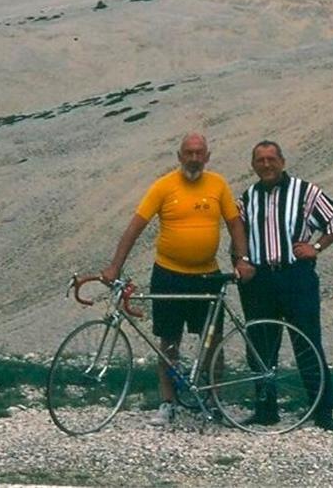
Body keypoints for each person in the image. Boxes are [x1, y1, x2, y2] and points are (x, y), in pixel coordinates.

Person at [100, 133, 255, 426]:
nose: (194, 158)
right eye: (188, 153)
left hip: (207, 275)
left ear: (207, 157)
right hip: (168, 274)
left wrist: (243, 259)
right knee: (169, 341)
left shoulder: (218, 184)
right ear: (179, 156)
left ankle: (214, 400)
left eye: (199, 153)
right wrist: (114, 267)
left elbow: (235, 223)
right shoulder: (163, 185)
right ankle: (168, 402)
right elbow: (135, 227)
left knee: (213, 342)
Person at [236, 140, 333, 432]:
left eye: (271, 159)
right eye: (260, 160)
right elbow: (239, 233)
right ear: (253, 165)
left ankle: (322, 410)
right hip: (259, 279)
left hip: (295, 276)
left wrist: (316, 247)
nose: (266, 165)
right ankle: (266, 410)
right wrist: (240, 261)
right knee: (261, 346)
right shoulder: (248, 197)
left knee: (307, 342)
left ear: (282, 161)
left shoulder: (305, 191)